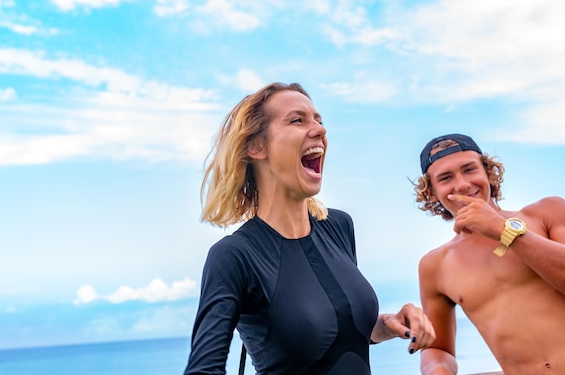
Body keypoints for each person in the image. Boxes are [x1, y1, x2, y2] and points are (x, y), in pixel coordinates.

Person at [184, 82, 435, 375]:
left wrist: (386, 325)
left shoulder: (338, 227)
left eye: (318, 120)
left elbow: (333, 331)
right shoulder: (234, 255)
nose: (319, 129)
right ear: (256, 146)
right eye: (297, 120)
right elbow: (203, 370)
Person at [412, 133, 565, 375]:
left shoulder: (547, 214)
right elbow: (439, 350)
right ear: (431, 193)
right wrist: (436, 368)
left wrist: (505, 231)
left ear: (488, 173)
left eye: (469, 170)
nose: (461, 184)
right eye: (446, 178)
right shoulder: (435, 266)